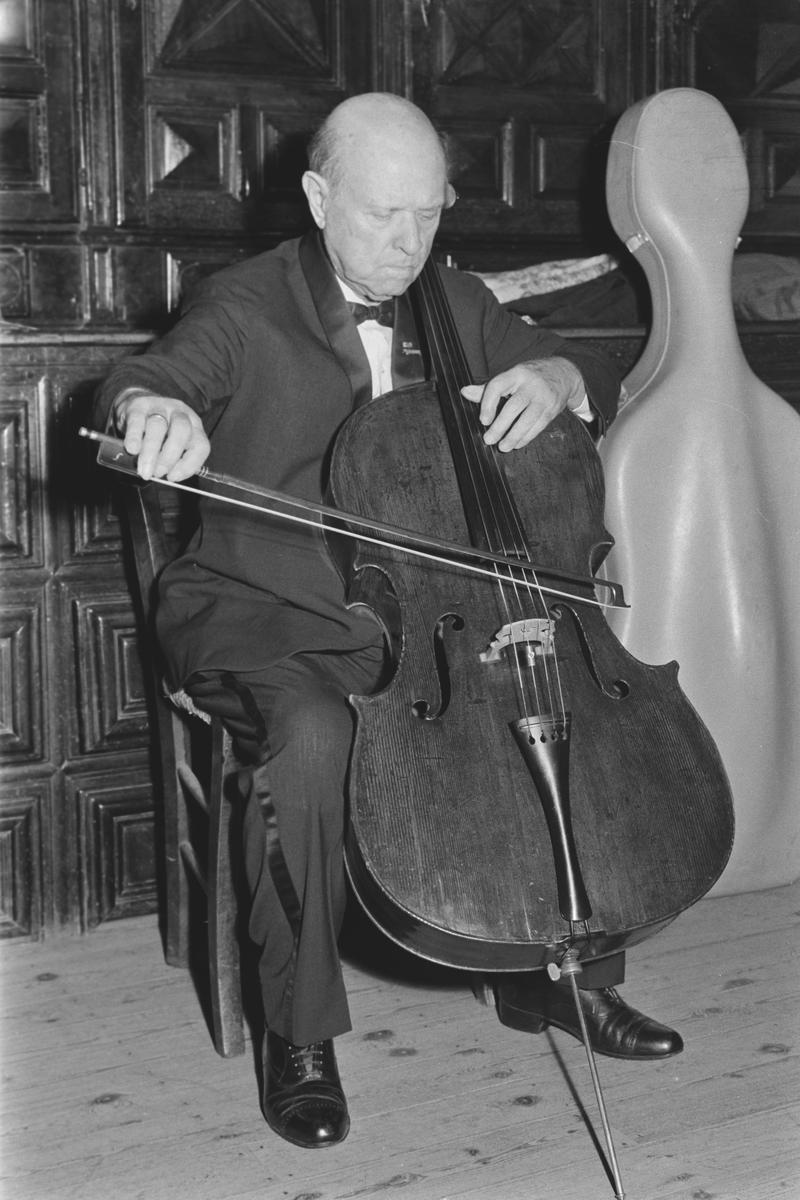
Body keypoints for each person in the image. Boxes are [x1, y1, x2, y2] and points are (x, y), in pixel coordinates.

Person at [94, 92, 682, 1152]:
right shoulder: (245, 304)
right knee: (311, 739)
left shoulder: (450, 299)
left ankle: (560, 973)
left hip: (421, 623)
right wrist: (156, 413)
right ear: (320, 199)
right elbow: (148, 380)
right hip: (260, 608)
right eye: (382, 217)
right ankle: (301, 1033)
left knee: (550, 708)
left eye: (429, 214)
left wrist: (556, 375)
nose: (410, 245)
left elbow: (593, 366)